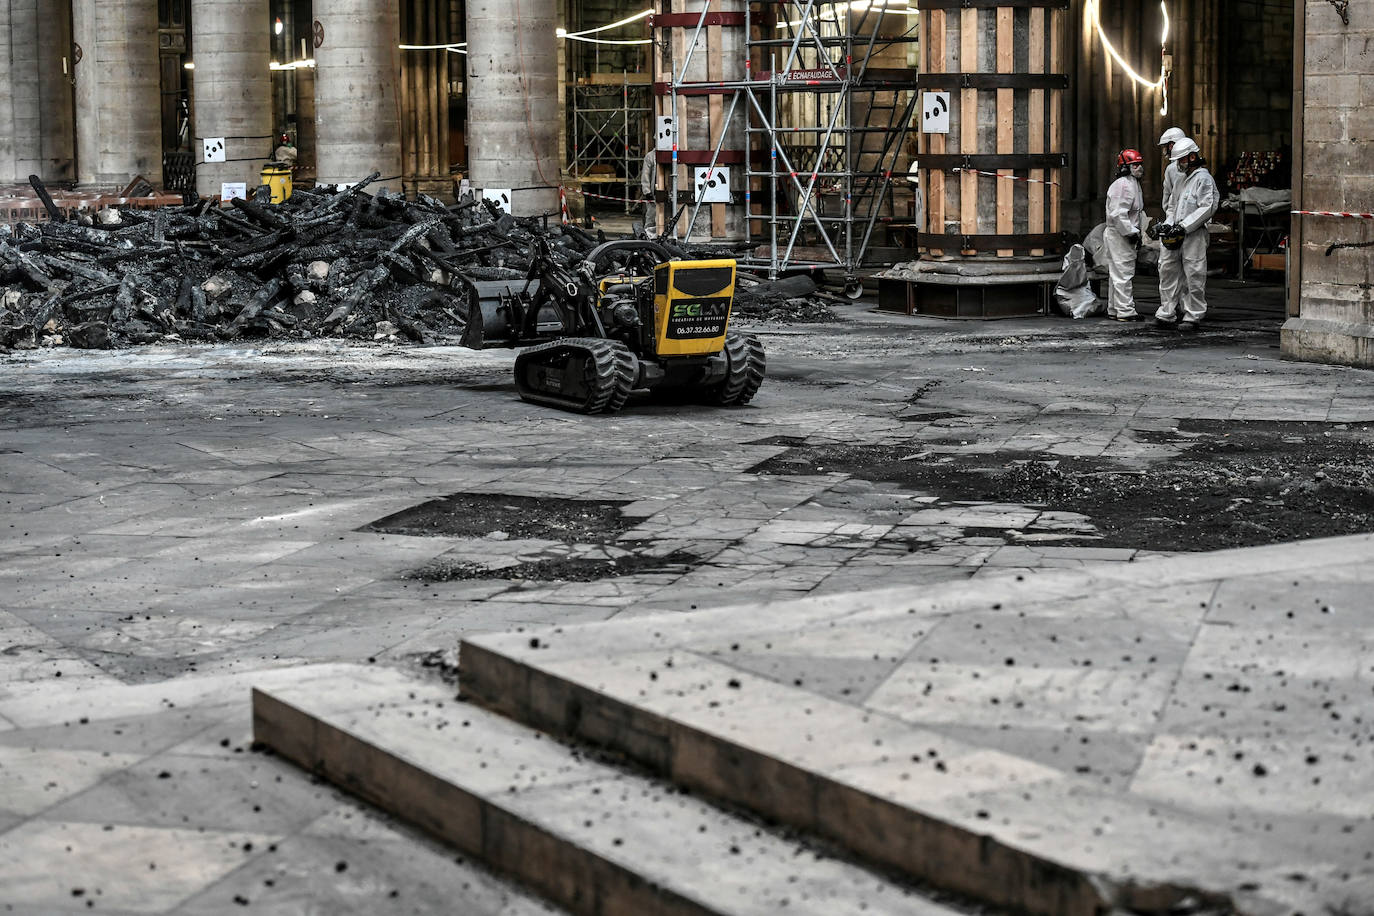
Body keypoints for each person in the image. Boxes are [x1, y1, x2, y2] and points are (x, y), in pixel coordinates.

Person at [1153, 137, 1219, 332]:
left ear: (1192, 157)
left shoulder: (1203, 179)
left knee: (1194, 274)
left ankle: (1193, 315)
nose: (1179, 165)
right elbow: (1172, 206)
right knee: (1167, 272)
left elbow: (1206, 208)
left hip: (1194, 235)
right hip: (1176, 233)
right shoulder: (1181, 180)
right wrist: (1167, 225)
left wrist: (1184, 226)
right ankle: (1167, 312)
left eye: (1181, 160)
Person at [1103, 148, 1147, 321]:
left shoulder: (1131, 183)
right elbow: (1118, 214)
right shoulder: (1123, 185)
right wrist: (1131, 233)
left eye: (1139, 164)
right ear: (1125, 167)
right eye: (1135, 165)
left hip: (1120, 235)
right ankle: (1126, 311)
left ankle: (1115, 309)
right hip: (1120, 236)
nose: (1139, 168)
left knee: (1117, 274)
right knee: (1124, 273)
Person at [1154, 127, 1187, 318]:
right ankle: (1171, 308)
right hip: (1176, 224)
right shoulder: (1171, 170)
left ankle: (1181, 308)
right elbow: (1169, 200)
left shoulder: (1197, 173)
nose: (1165, 150)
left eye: (1167, 146)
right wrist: (1170, 222)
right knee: (1171, 268)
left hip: (1187, 226)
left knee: (1188, 270)